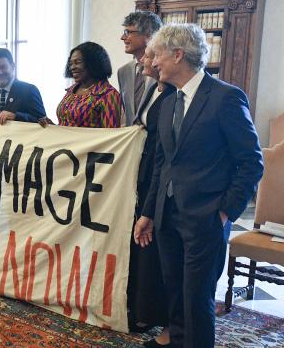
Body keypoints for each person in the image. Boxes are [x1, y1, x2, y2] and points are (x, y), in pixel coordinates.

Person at [134, 24, 263, 348]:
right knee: (174, 292)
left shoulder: (226, 98)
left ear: (178, 55)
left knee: (196, 299)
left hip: (205, 218)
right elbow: (163, 165)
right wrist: (149, 212)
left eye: (158, 54)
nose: (153, 62)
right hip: (167, 217)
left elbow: (251, 163)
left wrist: (225, 213)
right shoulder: (164, 104)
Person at [128, 45, 175, 348]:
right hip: (147, 175)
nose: (146, 60)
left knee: (161, 255)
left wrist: (227, 211)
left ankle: (168, 325)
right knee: (145, 249)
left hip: (168, 186)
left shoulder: (174, 97)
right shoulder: (154, 90)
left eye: (151, 56)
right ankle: (145, 311)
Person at [53, 42, 122, 128]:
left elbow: (111, 135)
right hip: (63, 141)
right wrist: (51, 126)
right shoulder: (72, 89)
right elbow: (66, 124)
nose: (72, 67)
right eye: (71, 64)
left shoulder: (108, 94)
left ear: (93, 64)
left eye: (77, 62)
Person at [117, 11, 162, 126]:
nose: (122, 38)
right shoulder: (123, 72)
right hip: (131, 140)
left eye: (128, 32)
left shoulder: (163, 69)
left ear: (149, 35)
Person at [0, 48, 46, 125]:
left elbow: (44, 122)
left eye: (3, 67)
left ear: (13, 66)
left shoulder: (29, 90)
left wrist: (17, 116)